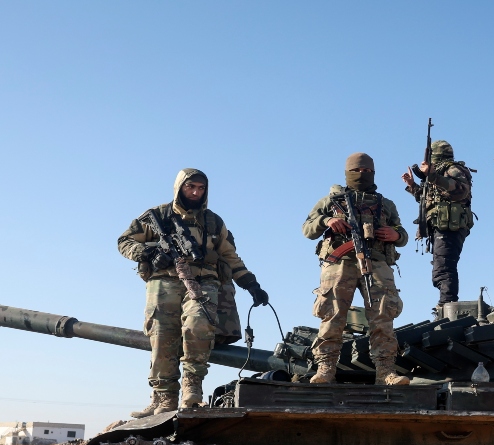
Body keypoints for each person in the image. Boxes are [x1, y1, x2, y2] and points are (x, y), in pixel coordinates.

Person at [117, 169, 269, 417]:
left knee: (198, 327)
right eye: (191, 187)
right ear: (180, 187)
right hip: (164, 281)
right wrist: (148, 253)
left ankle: (192, 392)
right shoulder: (159, 216)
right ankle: (163, 398)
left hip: (204, 280)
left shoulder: (213, 222)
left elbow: (229, 255)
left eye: (201, 188)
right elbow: (124, 241)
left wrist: (250, 283)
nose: (196, 192)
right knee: (162, 336)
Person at [302, 152, 410, 386]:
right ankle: (325, 370)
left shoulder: (386, 204)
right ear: (348, 172)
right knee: (332, 315)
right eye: (358, 171)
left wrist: (397, 235)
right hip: (339, 263)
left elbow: (402, 232)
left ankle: (385, 372)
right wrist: (327, 221)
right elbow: (308, 229)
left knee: (383, 316)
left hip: (377, 262)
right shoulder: (330, 201)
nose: (363, 175)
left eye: (368, 171)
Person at [401, 140, 475, 311]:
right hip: (440, 226)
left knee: (443, 267)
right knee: (441, 266)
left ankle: (447, 306)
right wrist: (412, 186)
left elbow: (460, 190)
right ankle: (446, 304)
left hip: (451, 226)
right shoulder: (436, 174)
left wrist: (432, 176)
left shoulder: (453, 170)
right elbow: (427, 199)